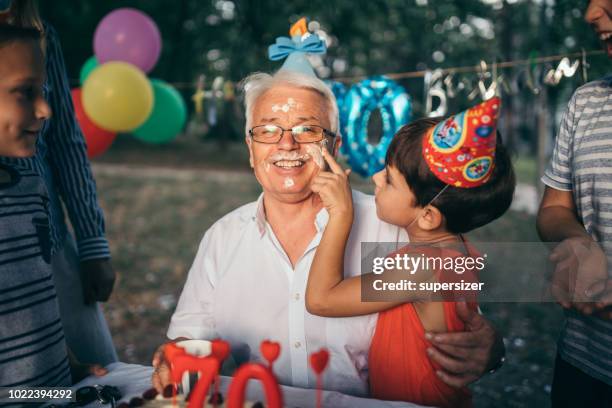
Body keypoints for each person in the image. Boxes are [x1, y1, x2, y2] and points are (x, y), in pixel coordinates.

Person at [150, 69, 506, 396]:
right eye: (268, 129)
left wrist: (491, 348)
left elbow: (455, 311)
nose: (286, 145)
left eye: (307, 129)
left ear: (335, 147)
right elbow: (189, 339)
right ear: (250, 149)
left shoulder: (397, 227)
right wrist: (175, 356)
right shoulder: (221, 238)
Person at [305, 98, 515, 407]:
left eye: (389, 179)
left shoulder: (421, 266)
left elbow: (322, 299)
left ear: (428, 216)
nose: (377, 177)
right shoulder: (458, 250)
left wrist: (340, 215)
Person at [0, 0, 117, 366]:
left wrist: (92, 243)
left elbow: (66, 140)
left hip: (49, 243)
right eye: (23, 93)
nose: (43, 108)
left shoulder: (40, 35)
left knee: (96, 375)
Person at [537, 1, 612, 406]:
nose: (590, 14)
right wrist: (577, 243)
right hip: (583, 363)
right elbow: (553, 210)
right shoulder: (586, 102)